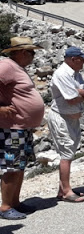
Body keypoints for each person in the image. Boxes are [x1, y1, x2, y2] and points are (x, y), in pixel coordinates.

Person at [0, 37, 45, 220]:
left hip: (22, 128)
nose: (34, 56)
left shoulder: (17, 68)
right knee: (12, 166)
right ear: (22, 52)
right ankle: (5, 206)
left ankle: (15, 202)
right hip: (12, 128)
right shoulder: (7, 66)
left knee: (19, 165)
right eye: (32, 52)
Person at [48, 46, 84, 203]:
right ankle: (67, 191)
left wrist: (82, 93)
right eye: (82, 60)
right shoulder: (62, 74)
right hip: (62, 117)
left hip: (72, 118)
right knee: (66, 153)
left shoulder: (76, 74)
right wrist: (82, 93)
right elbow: (72, 98)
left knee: (70, 152)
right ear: (73, 59)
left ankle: (63, 189)